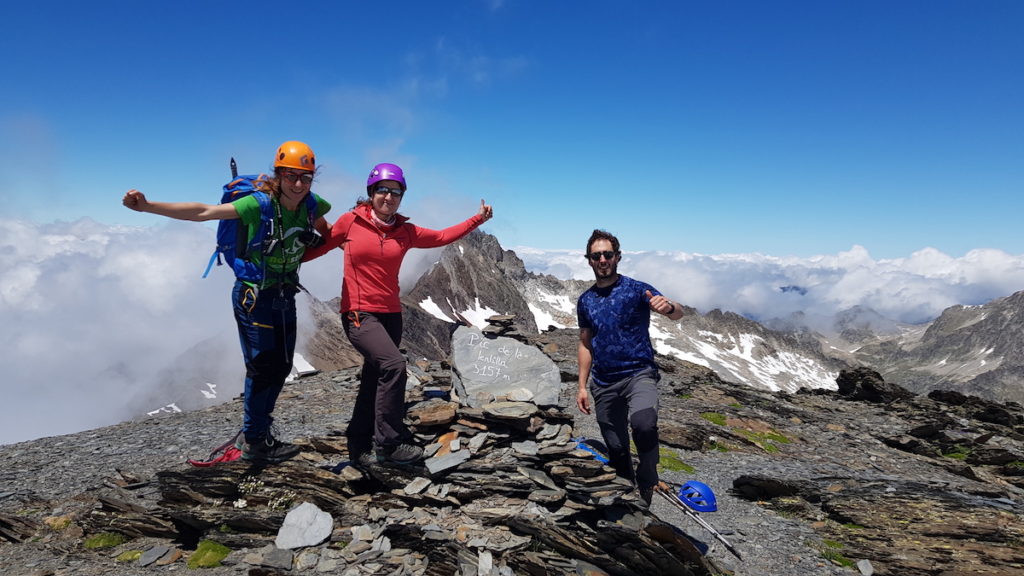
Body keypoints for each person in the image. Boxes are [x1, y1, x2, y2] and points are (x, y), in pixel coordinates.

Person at [122, 141, 332, 464]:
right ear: (279, 175)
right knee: (262, 367)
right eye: (291, 176)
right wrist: (148, 207)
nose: (299, 184)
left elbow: (325, 220)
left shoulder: (312, 204)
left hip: (283, 293)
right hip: (253, 296)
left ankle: (258, 432)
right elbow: (203, 212)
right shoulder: (259, 204)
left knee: (282, 365)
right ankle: (255, 439)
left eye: (305, 178)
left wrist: (317, 233)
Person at [303, 162, 493, 466]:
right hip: (359, 314)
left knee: (373, 378)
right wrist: (272, 260)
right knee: (394, 366)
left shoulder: (405, 231)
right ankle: (388, 444)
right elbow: (318, 249)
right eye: (382, 190)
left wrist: (477, 219)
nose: (389, 197)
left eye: (395, 192)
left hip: (391, 315)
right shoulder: (350, 222)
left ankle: (359, 444)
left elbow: (443, 237)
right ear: (371, 192)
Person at [576, 229, 684, 505]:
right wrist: (581, 386)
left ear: (618, 257)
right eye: (596, 255)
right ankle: (628, 502)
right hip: (603, 382)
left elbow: (678, 313)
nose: (602, 260)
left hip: (639, 374)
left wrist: (669, 307)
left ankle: (647, 475)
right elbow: (585, 343)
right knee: (616, 449)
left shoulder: (637, 289)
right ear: (589, 260)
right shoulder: (586, 301)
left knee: (644, 424)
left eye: (607, 254)